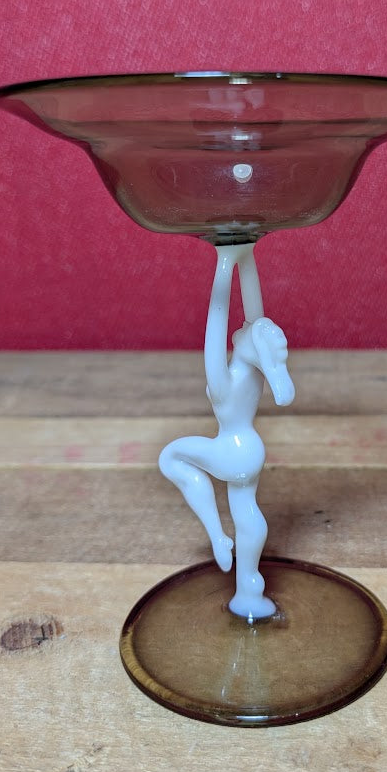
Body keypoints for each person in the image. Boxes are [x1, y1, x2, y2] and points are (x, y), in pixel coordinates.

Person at [158, 243, 294, 620]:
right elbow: (256, 318)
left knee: (170, 457)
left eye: (248, 332)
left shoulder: (225, 383)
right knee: (246, 510)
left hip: (230, 453)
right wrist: (245, 256)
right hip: (250, 449)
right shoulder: (254, 375)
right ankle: (248, 585)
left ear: (250, 348)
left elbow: (214, 332)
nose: (244, 328)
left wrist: (223, 265)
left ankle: (217, 535)